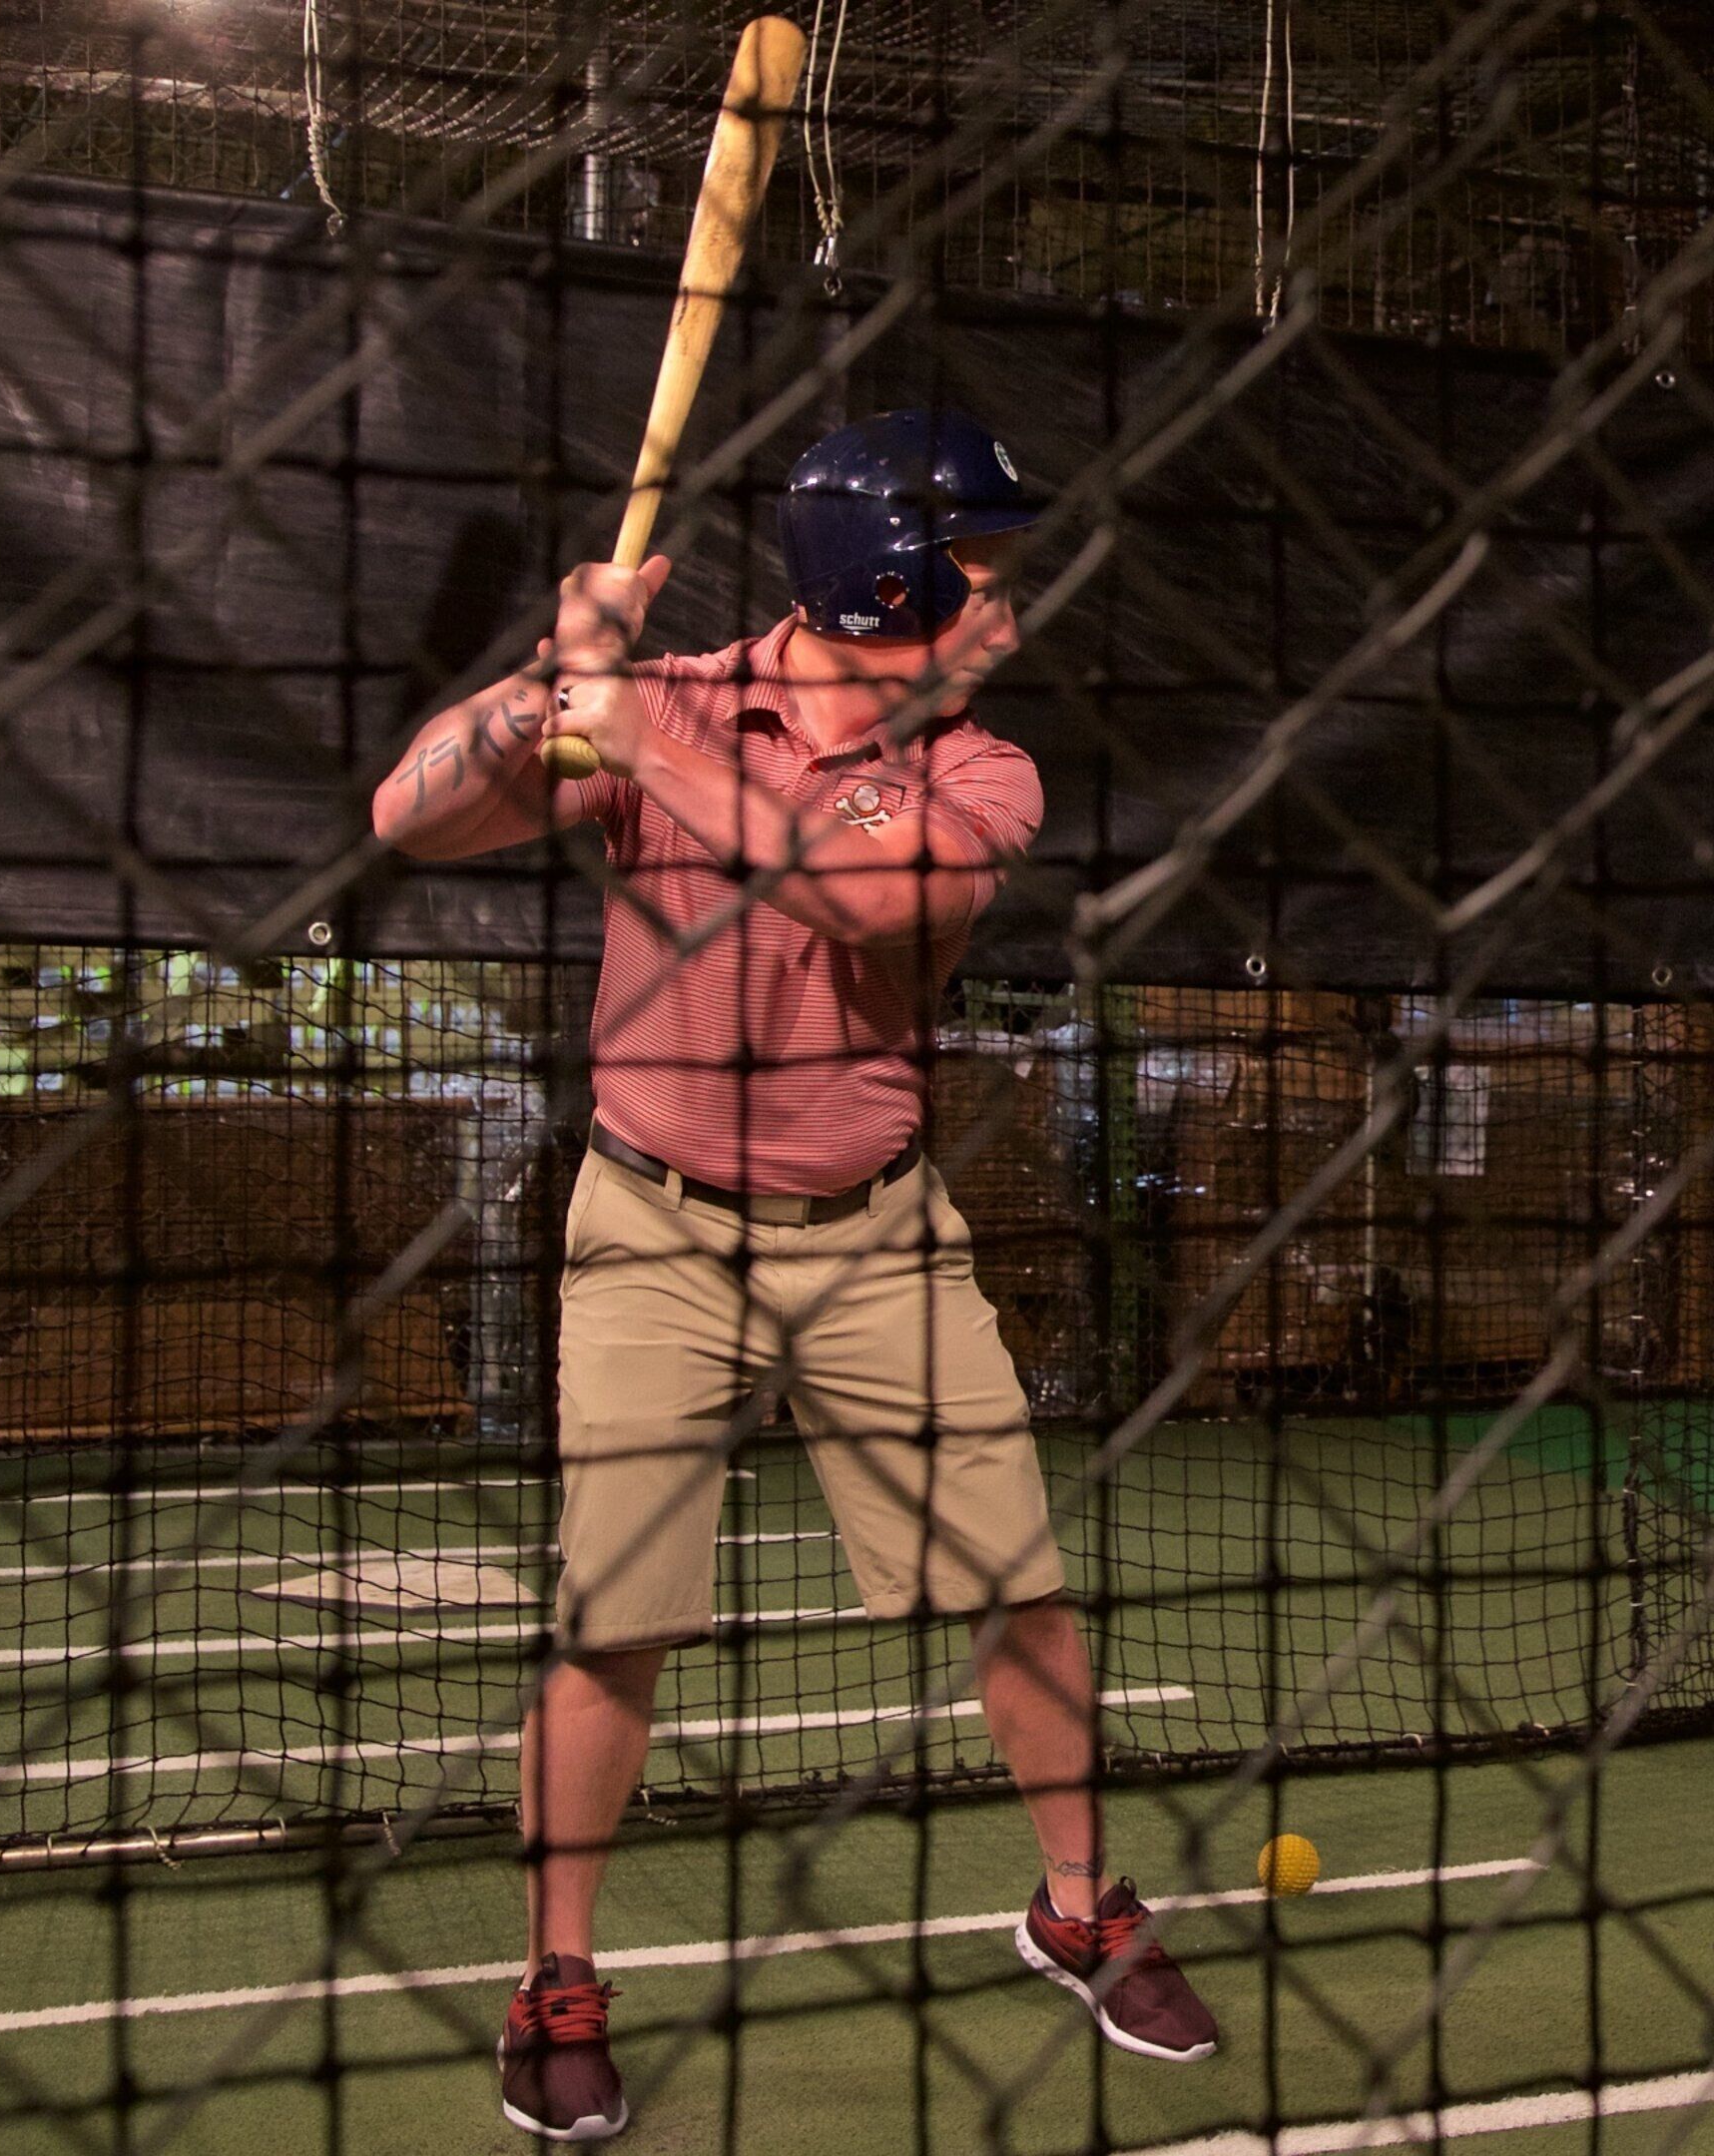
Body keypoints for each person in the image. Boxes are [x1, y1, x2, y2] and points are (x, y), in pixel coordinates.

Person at [373, 408, 1216, 2143]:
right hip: (653, 1231)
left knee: (1018, 1587)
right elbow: (409, 816)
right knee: (612, 1619)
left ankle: (1072, 1905)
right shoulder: (658, 691)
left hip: (877, 1236)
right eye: (984, 564)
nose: (1012, 602)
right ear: (887, 574)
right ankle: (556, 1977)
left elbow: (854, 894)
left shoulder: (986, 768)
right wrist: (547, 695)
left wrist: (648, 740)